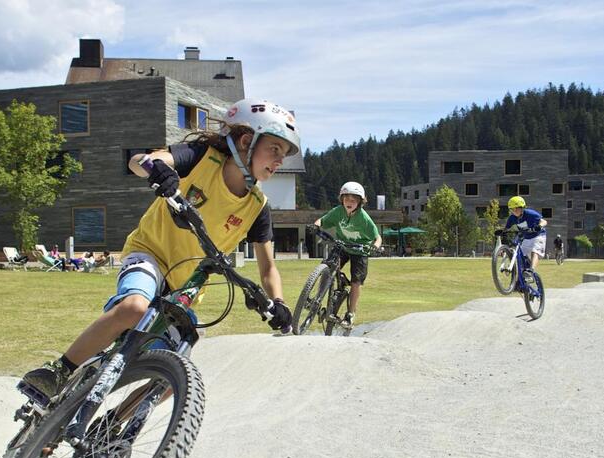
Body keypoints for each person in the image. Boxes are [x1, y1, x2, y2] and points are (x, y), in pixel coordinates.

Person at [20, 98, 300, 403]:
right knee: (135, 308)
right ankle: (58, 372)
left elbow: (268, 268)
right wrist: (157, 168)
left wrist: (279, 303)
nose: (279, 160)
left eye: (284, 154)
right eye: (274, 149)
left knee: (176, 374)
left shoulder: (257, 207)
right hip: (149, 255)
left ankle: (115, 426)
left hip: (186, 288)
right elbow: (139, 161)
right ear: (246, 141)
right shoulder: (202, 159)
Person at [314, 181, 382, 328]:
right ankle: (317, 299)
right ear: (342, 199)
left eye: (353, 200)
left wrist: (375, 247)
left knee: (356, 282)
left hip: (360, 250)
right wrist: (316, 225)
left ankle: (350, 314)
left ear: (360, 202)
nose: (349, 202)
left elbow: (377, 237)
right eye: (346, 199)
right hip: (342, 246)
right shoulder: (338, 211)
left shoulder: (364, 218)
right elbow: (323, 221)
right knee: (327, 267)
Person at [501, 195, 547, 272]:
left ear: (522, 207)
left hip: (538, 235)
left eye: (517, 208)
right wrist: (502, 233)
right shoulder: (512, 218)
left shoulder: (530, 214)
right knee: (520, 254)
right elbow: (506, 229)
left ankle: (531, 270)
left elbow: (544, 221)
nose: (515, 211)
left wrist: (539, 226)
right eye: (512, 209)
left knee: (535, 251)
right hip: (527, 237)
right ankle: (524, 271)